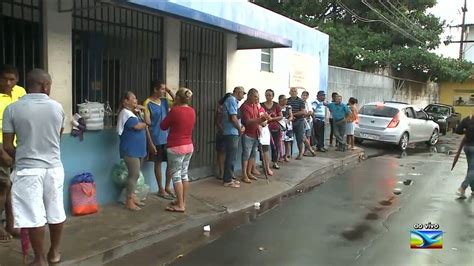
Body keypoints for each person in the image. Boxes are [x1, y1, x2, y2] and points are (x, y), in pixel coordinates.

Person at [3, 69, 65, 265]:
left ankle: (39, 259)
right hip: (54, 168)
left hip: (27, 170)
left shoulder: (12, 109)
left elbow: (6, 145)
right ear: (45, 86)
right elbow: (57, 137)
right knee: (56, 211)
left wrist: (21, 155)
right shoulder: (57, 108)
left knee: (33, 215)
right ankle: (54, 253)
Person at [161, 88, 196, 212]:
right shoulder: (192, 111)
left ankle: (180, 205)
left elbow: (163, 126)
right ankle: (182, 201)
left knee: (176, 176)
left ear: (177, 98)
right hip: (188, 146)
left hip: (176, 147)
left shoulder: (174, 111)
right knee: (184, 175)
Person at [0, 65, 25, 242]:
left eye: (12, 79)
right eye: (5, 79)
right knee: (3, 189)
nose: (8, 82)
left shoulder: (21, 92)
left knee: (12, 188)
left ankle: (11, 223)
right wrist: (2, 152)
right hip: (2, 149)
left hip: (18, 149)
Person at [143, 81, 175, 200]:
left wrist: (169, 90)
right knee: (158, 163)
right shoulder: (147, 103)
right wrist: (150, 142)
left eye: (164, 89)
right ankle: (160, 188)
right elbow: (147, 123)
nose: (163, 91)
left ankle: (167, 186)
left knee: (171, 163)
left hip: (167, 136)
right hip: (156, 137)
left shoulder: (165, 101)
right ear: (155, 89)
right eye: (161, 89)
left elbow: (177, 101)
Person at [117, 91, 147, 211]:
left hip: (138, 149)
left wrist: (142, 112)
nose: (136, 100)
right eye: (133, 99)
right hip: (130, 149)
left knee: (136, 174)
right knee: (133, 174)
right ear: (125, 101)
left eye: (136, 98)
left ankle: (132, 196)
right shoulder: (125, 113)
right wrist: (146, 124)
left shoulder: (133, 113)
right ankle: (129, 200)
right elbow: (137, 126)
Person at [240, 89, 268, 183]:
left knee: (253, 155)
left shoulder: (256, 106)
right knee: (246, 155)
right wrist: (260, 119)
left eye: (258, 96)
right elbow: (247, 121)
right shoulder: (245, 106)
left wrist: (263, 120)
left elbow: (259, 119)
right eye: (255, 96)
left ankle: (249, 172)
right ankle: (244, 174)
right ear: (249, 96)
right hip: (248, 134)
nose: (257, 99)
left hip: (256, 133)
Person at [222, 86, 246, 188]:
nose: (243, 96)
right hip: (231, 132)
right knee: (231, 157)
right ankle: (227, 180)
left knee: (232, 156)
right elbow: (233, 118)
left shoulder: (234, 101)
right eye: (242, 94)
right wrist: (240, 128)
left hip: (233, 132)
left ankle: (230, 177)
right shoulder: (231, 100)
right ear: (237, 92)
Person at [262, 89, 283, 169]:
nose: (268, 97)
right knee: (264, 146)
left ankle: (274, 162)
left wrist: (272, 119)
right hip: (264, 128)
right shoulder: (262, 105)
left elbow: (281, 116)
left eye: (270, 95)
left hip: (275, 128)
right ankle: (264, 162)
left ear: (273, 96)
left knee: (275, 145)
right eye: (267, 95)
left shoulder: (276, 105)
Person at [455, 115, 474, 198]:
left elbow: (458, 130)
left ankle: (473, 189)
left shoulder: (467, 119)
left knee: (471, 169)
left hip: (467, 147)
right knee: (473, 170)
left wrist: (466, 131)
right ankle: (462, 188)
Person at [215, 93, 232, 180]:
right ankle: (221, 172)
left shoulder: (232, 106)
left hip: (229, 133)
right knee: (221, 153)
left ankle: (227, 173)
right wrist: (223, 130)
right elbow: (217, 122)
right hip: (222, 133)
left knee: (227, 153)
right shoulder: (221, 108)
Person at [301, 91, 316, 157]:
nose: (304, 96)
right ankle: (304, 150)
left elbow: (311, 112)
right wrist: (305, 114)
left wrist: (305, 114)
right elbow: (302, 113)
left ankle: (306, 150)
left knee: (308, 136)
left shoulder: (308, 103)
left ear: (307, 97)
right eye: (303, 95)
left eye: (306, 95)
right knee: (303, 136)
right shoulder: (300, 103)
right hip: (302, 121)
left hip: (309, 121)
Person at [279, 95, 294, 162]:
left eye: (286, 99)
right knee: (280, 141)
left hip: (287, 125)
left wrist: (288, 121)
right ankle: (280, 156)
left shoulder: (288, 107)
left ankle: (286, 155)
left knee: (287, 142)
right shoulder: (277, 107)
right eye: (284, 99)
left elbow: (291, 116)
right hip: (280, 124)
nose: (285, 100)